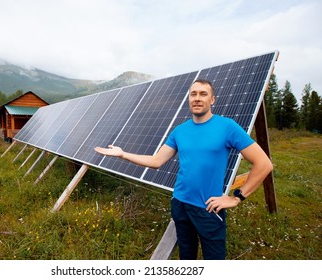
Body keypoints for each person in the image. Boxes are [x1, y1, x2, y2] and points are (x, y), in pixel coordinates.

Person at [94, 79, 273, 260]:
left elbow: (264, 164)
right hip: (180, 204)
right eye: (193, 94)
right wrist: (123, 154)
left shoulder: (227, 127)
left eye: (203, 94)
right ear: (188, 98)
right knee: (186, 258)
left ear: (212, 100)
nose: (197, 98)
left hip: (209, 208)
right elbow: (156, 161)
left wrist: (236, 198)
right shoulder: (180, 131)